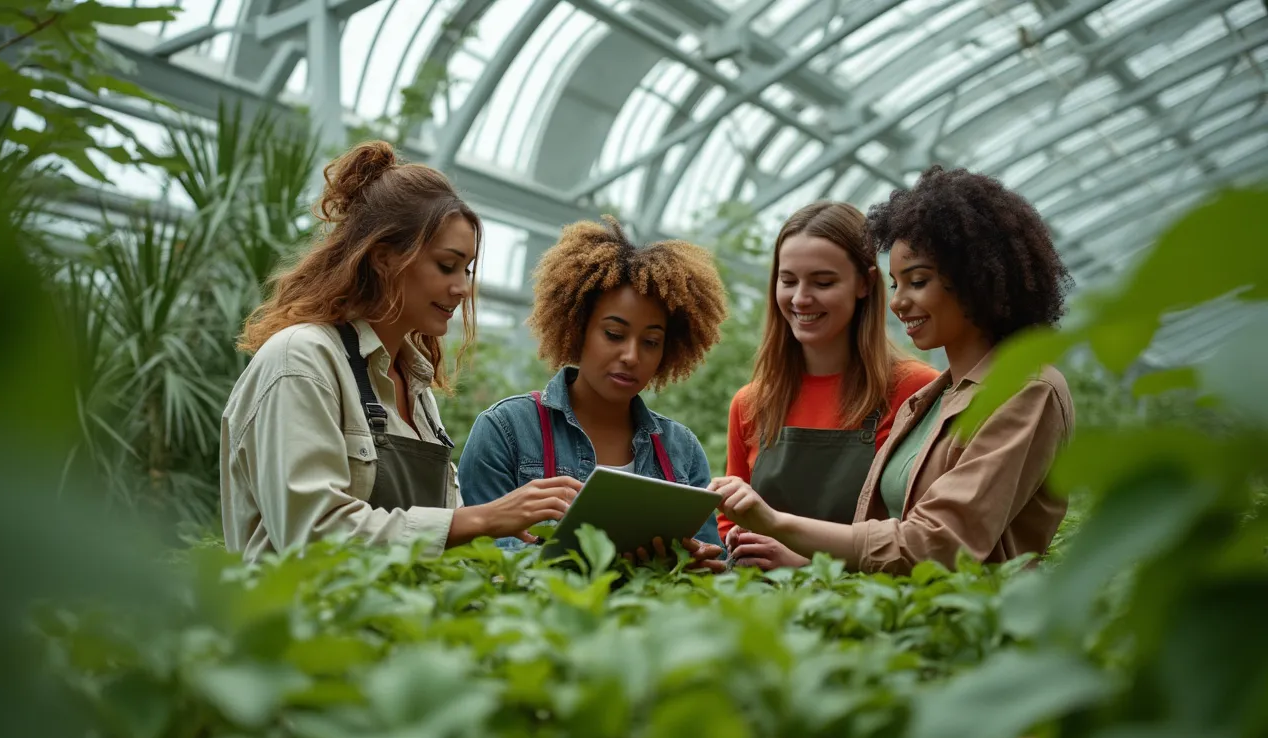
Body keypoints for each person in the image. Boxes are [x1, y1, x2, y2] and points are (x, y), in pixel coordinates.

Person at [220, 141, 582, 562]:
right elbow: (310, 535)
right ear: (383, 259)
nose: (462, 289)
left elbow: (440, 542)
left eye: (466, 270)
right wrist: (481, 520)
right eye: (446, 266)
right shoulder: (302, 360)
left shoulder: (414, 385)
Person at [711, 166, 1076, 574]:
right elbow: (888, 536)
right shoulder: (932, 399)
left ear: (976, 279)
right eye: (897, 283)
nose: (898, 302)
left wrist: (789, 541)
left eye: (917, 281)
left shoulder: (1024, 390)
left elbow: (937, 542)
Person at [457, 216, 729, 570]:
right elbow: (478, 561)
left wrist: (696, 565)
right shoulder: (506, 430)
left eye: (650, 342)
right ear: (577, 328)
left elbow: (714, 566)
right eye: (614, 335)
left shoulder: (682, 451)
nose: (631, 356)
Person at [716, 201, 939, 570]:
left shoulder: (914, 391)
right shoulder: (751, 402)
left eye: (823, 282)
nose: (801, 298)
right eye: (788, 281)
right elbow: (730, 520)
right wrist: (735, 541)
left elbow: (924, 536)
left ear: (865, 284)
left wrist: (805, 562)